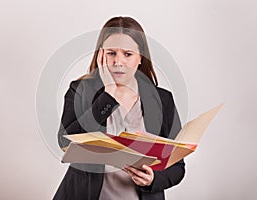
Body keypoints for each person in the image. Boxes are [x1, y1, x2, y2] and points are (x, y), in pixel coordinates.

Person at [53, 16, 185, 200]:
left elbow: (178, 167)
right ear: (100, 55)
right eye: (111, 53)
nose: (118, 62)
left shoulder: (163, 100)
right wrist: (108, 96)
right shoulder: (80, 90)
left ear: (141, 57)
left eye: (127, 54)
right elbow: (65, 142)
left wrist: (153, 179)